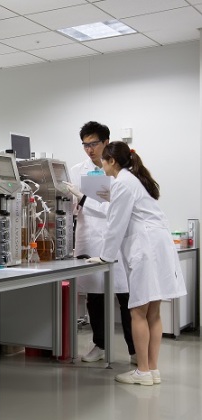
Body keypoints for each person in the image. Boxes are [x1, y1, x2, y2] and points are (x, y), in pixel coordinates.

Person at [84, 141, 186, 385]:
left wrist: (106, 256)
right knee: (153, 312)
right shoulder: (136, 180)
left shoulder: (122, 183)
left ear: (112, 161)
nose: (101, 165)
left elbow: (115, 224)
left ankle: (142, 371)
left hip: (146, 248)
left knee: (137, 310)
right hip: (158, 246)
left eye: (104, 161)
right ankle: (152, 369)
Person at [67, 121, 135, 364]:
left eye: (94, 143)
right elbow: (72, 208)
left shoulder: (120, 172)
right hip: (89, 237)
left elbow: (109, 209)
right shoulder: (77, 170)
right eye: (85, 145)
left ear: (106, 142)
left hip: (116, 240)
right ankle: (100, 345)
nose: (89, 149)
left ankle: (135, 351)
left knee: (126, 297)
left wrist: (83, 198)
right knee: (94, 296)